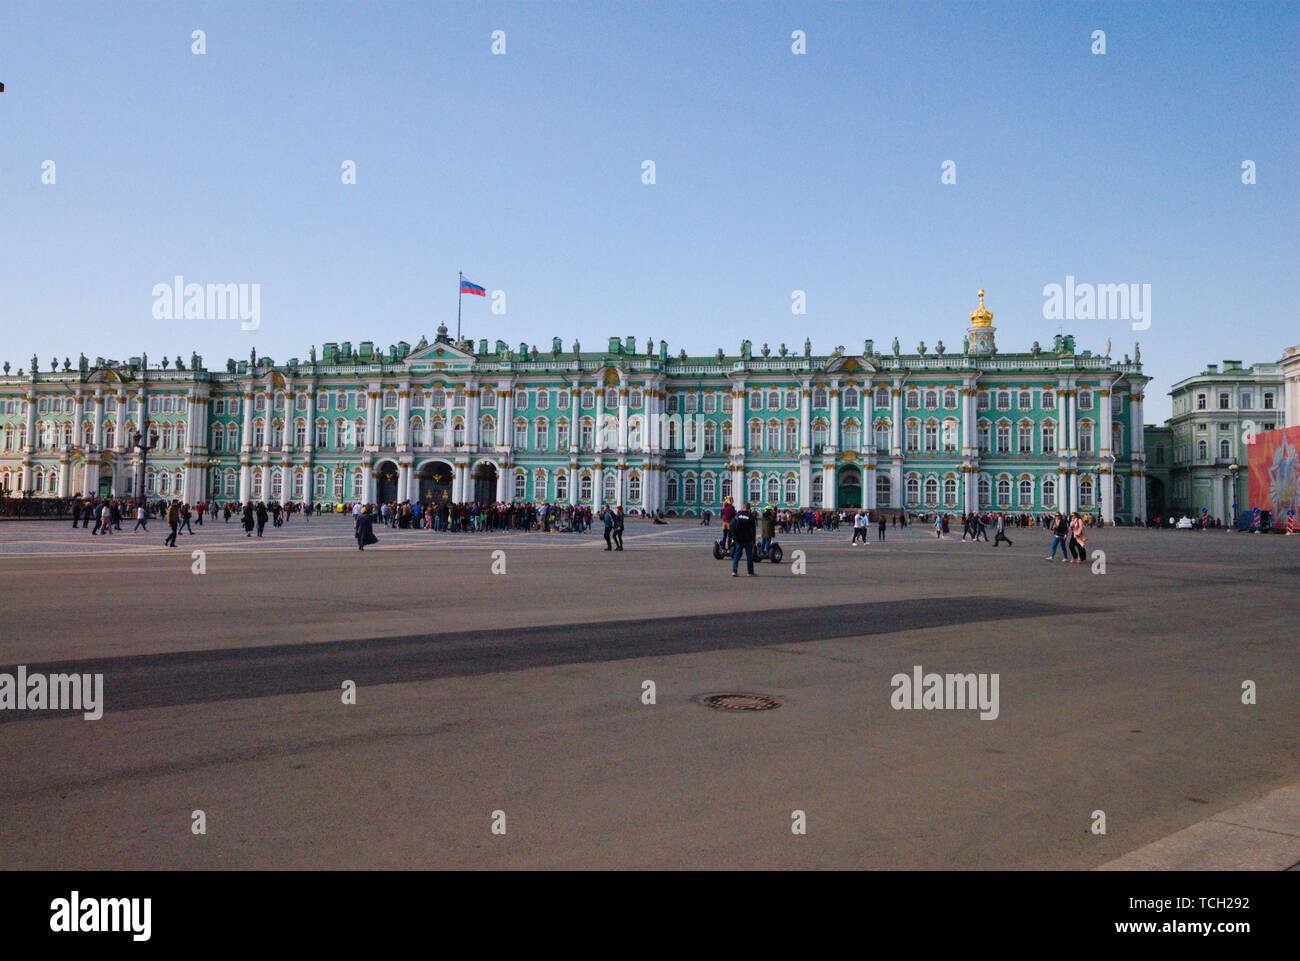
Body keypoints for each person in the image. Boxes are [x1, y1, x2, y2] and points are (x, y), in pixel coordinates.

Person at [730, 501, 757, 577]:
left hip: (738, 538)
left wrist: (734, 537)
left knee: (737, 555)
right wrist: (754, 541)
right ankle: (750, 572)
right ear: (749, 509)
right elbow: (753, 530)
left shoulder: (738, 515)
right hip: (747, 539)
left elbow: (733, 525)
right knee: (749, 555)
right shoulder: (750, 516)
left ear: (743, 508)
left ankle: (734, 571)